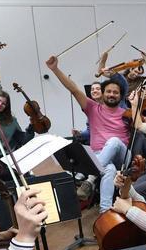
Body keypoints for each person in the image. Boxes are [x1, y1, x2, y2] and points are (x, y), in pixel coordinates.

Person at [46, 54, 130, 212]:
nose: (112, 94)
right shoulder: (92, 108)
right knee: (109, 170)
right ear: (102, 94)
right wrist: (55, 69)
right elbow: (73, 89)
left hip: (123, 156)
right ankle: (105, 212)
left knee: (113, 141)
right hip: (100, 155)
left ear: (120, 95)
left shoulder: (126, 112)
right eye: (109, 92)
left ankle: (90, 175)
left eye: (116, 92)